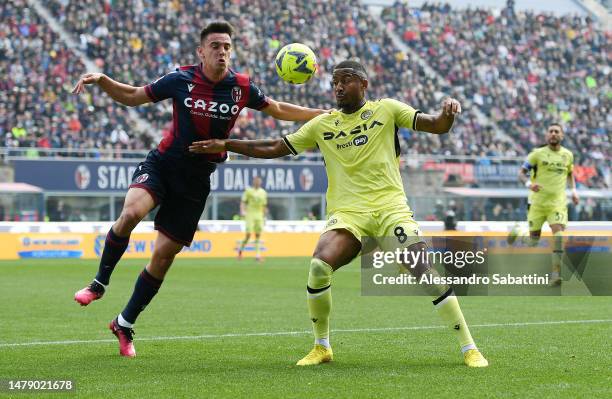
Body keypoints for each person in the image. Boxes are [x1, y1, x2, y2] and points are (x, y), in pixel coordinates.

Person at [189, 60, 489, 367]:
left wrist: (448, 114)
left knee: (426, 273)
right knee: (319, 264)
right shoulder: (323, 124)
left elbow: (436, 125)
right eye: (335, 83)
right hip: (348, 214)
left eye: (345, 80)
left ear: (364, 84)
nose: (338, 87)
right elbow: (275, 147)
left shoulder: (387, 109)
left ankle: (469, 348)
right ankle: (322, 346)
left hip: (390, 209)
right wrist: (227, 143)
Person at [71, 21, 327, 357]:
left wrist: (323, 114)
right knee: (132, 212)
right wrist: (103, 81)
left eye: (227, 47)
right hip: (163, 164)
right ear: (201, 51)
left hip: (196, 180)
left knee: (162, 257)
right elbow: (134, 96)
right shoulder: (180, 79)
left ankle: (125, 322)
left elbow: (278, 109)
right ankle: (99, 283)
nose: (223, 52)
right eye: (217, 46)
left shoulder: (241, 87)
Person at [508, 123, 579, 286]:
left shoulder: (568, 155)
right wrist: (529, 185)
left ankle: (556, 274)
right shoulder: (536, 154)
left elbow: (570, 174)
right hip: (537, 203)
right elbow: (521, 173)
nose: (553, 134)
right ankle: (519, 231)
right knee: (533, 241)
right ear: (546, 135)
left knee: (559, 236)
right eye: (550, 131)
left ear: (562, 136)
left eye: (556, 132)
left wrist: (574, 191)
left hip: (557, 203)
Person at [238, 176, 267, 261]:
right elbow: (243, 202)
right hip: (250, 214)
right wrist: (242, 211)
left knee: (258, 235)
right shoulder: (248, 191)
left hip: (259, 215)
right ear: (253, 182)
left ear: (261, 182)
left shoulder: (263, 192)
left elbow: (264, 206)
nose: (258, 182)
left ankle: (257, 256)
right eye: (256, 181)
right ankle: (240, 250)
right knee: (248, 235)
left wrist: (265, 217)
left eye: (259, 181)